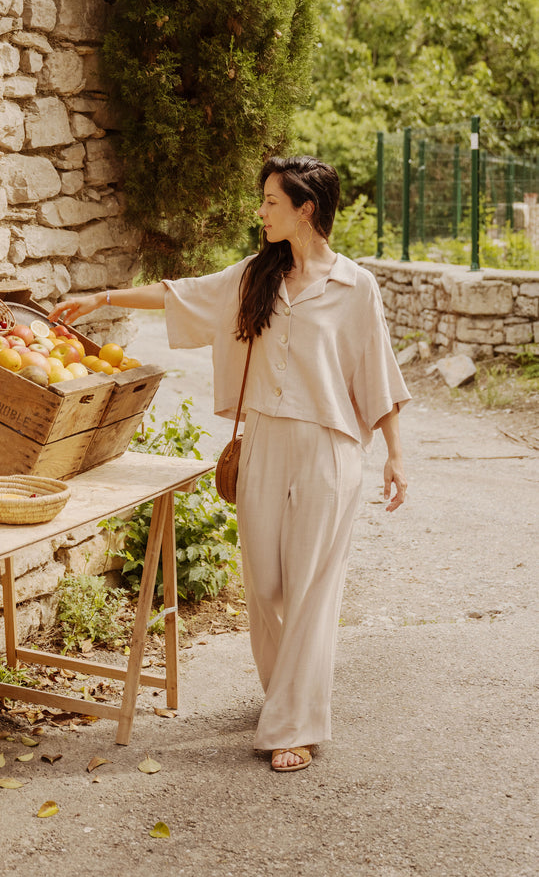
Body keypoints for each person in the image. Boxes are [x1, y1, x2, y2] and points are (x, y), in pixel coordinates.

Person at [50, 155, 410, 773]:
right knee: (265, 584)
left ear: (307, 209)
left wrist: (396, 456)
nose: (261, 211)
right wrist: (102, 298)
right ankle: (285, 695)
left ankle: (294, 722)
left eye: (272, 201)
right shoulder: (255, 277)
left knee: (312, 589)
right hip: (264, 443)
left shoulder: (357, 287)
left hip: (329, 447)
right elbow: (180, 295)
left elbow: (378, 375)